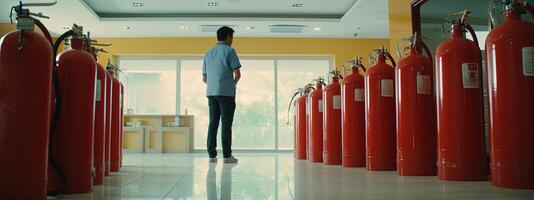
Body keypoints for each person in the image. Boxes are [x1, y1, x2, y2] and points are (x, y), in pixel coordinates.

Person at [202, 26, 241, 164]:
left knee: (213, 123)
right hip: (226, 94)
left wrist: (214, 86)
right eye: (232, 37)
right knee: (226, 124)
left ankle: (211, 155)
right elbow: (237, 74)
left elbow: (204, 78)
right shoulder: (230, 51)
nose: (233, 40)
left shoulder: (208, 52)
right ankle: (227, 156)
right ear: (228, 37)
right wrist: (232, 85)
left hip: (211, 93)